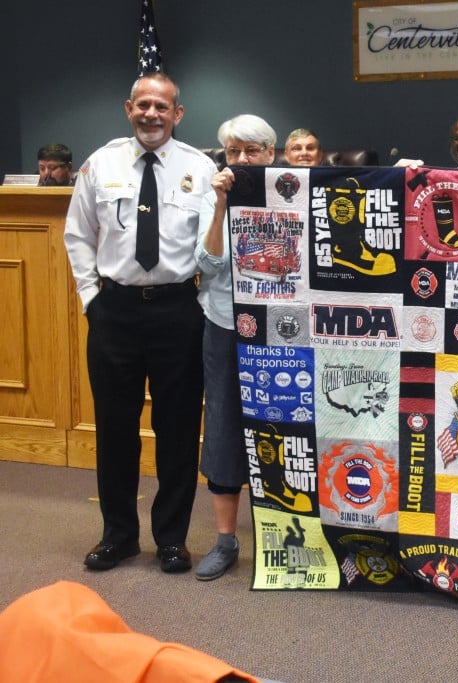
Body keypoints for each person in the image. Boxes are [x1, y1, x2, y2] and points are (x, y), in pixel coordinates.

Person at [64, 72, 216, 574]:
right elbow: (78, 235)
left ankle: (171, 539)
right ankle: (118, 536)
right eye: (143, 104)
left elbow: (214, 244)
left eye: (162, 106)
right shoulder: (100, 163)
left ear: (178, 114)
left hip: (178, 312)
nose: (152, 114)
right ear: (128, 108)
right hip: (116, 313)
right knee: (114, 428)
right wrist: (91, 298)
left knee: (177, 429)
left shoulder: (200, 168)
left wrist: (201, 304)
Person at [193, 114, 277, 580]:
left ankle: (291, 531)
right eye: (233, 151)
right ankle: (226, 540)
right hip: (226, 323)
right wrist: (221, 205)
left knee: (288, 427)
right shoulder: (212, 196)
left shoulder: (292, 192)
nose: (242, 159)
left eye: (252, 150)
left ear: (270, 153)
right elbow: (206, 264)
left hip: (287, 329)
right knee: (224, 424)